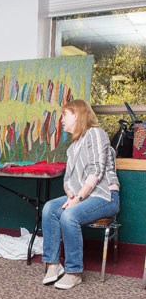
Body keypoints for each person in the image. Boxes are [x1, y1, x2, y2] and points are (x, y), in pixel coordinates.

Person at [42, 99, 120, 289]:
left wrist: (77, 199)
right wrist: (70, 194)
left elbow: (97, 170)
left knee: (69, 215)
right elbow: (67, 179)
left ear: (77, 115)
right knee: (49, 208)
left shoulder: (96, 134)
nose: (61, 120)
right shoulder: (72, 147)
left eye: (64, 115)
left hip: (105, 196)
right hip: (82, 196)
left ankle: (74, 271)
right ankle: (53, 265)